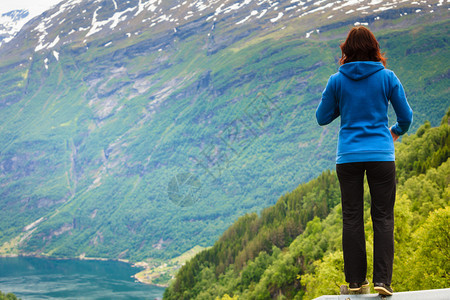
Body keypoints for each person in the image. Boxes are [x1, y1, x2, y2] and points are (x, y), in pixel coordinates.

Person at [315, 26, 413, 296]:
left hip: (348, 157)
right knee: (383, 217)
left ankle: (356, 283)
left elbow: (322, 117)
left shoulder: (336, 81)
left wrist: (344, 105)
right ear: (374, 48)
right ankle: (383, 281)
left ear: (346, 49)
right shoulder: (388, 78)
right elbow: (406, 118)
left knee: (352, 218)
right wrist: (394, 132)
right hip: (381, 155)